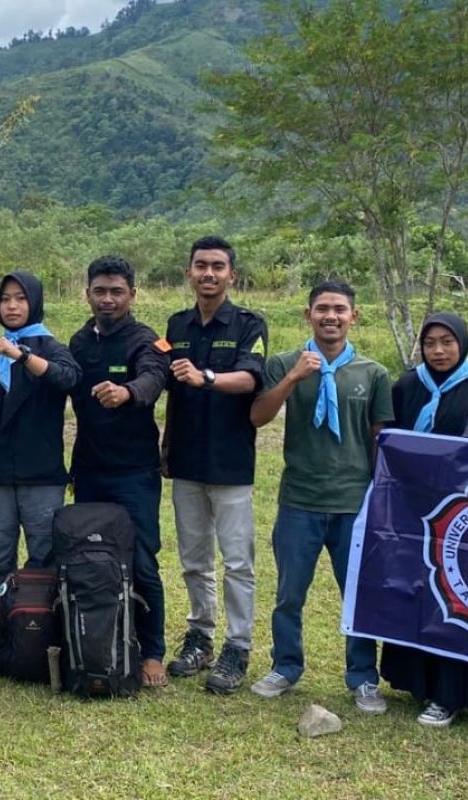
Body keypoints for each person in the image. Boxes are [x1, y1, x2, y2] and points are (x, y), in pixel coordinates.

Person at [249, 280, 393, 714]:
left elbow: (380, 438)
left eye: (340, 309)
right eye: (322, 309)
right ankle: (286, 666)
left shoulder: (373, 373)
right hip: (299, 499)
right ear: (307, 314)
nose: (331, 316)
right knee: (290, 594)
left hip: (353, 503)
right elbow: (258, 416)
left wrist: (380, 500)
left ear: (354, 316)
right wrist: (294, 377)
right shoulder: (284, 362)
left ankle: (363, 677)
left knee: (358, 595)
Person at [379, 313, 468, 726]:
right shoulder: (407, 385)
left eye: (447, 341)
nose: (438, 350)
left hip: (460, 514)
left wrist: (422, 463)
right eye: (430, 342)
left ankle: (449, 695)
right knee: (416, 592)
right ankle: (418, 682)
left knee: (453, 602)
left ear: (462, 343)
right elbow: (388, 442)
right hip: (412, 509)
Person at [162, 236, 268, 695]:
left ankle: (237, 646)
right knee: (193, 559)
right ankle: (200, 636)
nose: (209, 273)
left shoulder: (249, 324)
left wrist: (206, 377)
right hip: (185, 458)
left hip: (230, 462)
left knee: (238, 561)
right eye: (201, 265)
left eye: (218, 266)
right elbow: (170, 390)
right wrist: (165, 447)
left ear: (232, 275)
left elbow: (250, 378)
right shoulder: (176, 324)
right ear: (189, 272)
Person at [0, 271, 79, 660]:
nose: (11, 306)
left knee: (43, 556)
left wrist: (23, 356)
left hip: (41, 475)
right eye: (5, 299)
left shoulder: (50, 347)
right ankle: (1, 632)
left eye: (20, 299)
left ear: (35, 303)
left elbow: (67, 379)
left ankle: (42, 630)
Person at [68, 256, 170, 687]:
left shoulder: (146, 341)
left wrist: (126, 392)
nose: (107, 299)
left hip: (134, 473)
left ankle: (153, 652)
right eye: (99, 291)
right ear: (87, 293)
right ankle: (97, 637)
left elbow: (154, 379)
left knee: (142, 560)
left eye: (117, 291)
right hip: (89, 470)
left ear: (133, 294)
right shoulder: (78, 342)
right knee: (89, 558)